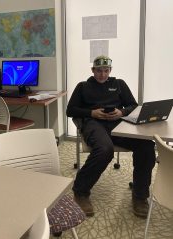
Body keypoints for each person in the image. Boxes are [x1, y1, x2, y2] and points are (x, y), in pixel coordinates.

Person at [66, 56, 156, 218]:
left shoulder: (119, 84)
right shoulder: (83, 86)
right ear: (93, 70)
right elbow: (70, 110)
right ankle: (81, 191)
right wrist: (91, 112)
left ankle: (140, 195)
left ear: (110, 71)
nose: (102, 74)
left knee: (147, 145)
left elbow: (133, 106)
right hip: (94, 123)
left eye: (106, 71)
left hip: (117, 123)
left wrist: (121, 112)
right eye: (99, 71)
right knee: (105, 150)